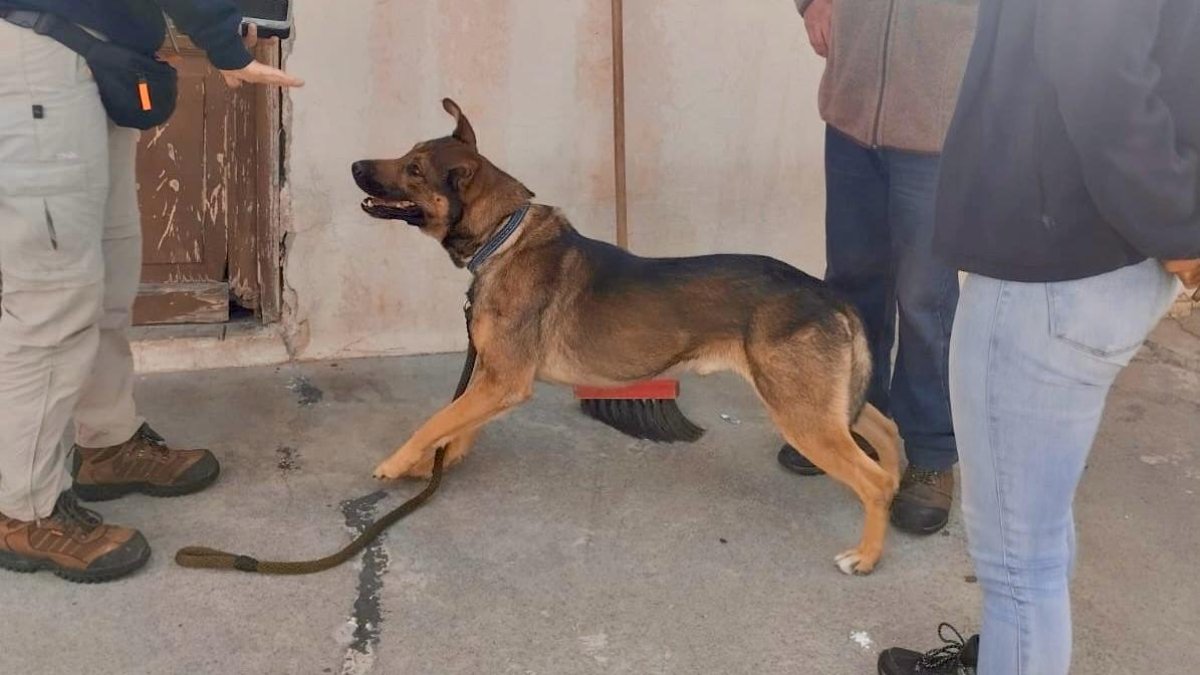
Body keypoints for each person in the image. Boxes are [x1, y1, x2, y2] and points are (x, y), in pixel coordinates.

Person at [878, 0, 1200, 672]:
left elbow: (1103, 75)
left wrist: (1178, 224)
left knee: (1019, 566)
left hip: (1058, 266)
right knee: (1036, 529)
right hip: (1095, 260)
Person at [0, 1, 302, 583]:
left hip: (87, 58)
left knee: (109, 280)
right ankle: (22, 510)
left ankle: (107, 445)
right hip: (39, 61)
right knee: (53, 298)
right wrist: (223, 42)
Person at [785, 0, 977, 535]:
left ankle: (931, 450)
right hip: (853, 113)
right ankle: (852, 419)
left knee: (925, 298)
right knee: (849, 280)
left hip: (939, 122)